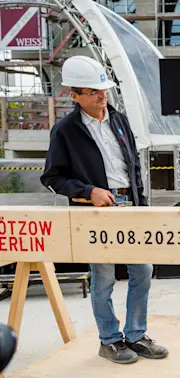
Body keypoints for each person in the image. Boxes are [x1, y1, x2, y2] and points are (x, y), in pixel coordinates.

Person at [40, 56, 168, 364]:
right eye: (94, 91)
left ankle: (136, 335)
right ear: (75, 95)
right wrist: (88, 193)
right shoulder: (65, 131)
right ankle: (109, 340)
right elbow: (52, 177)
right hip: (95, 213)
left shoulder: (119, 119)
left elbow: (133, 165)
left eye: (103, 89)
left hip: (130, 207)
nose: (102, 96)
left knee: (142, 270)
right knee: (104, 276)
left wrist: (142, 206)